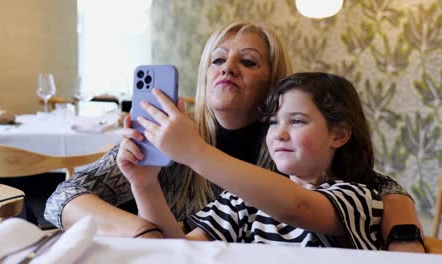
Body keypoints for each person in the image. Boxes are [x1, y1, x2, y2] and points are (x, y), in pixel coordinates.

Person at [44, 20, 424, 252]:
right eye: (218, 59)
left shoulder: (291, 168)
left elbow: (368, 189)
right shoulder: (177, 142)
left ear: (274, 84)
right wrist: (144, 206)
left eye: (248, 61)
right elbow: (65, 196)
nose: (228, 68)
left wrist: (404, 233)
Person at [120, 72, 384, 249]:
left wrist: (194, 151)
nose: (279, 133)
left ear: (338, 135)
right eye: (272, 122)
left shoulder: (359, 199)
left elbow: (298, 206)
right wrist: (144, 185)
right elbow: (180, 251)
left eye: (297, 121)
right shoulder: (243, 201)